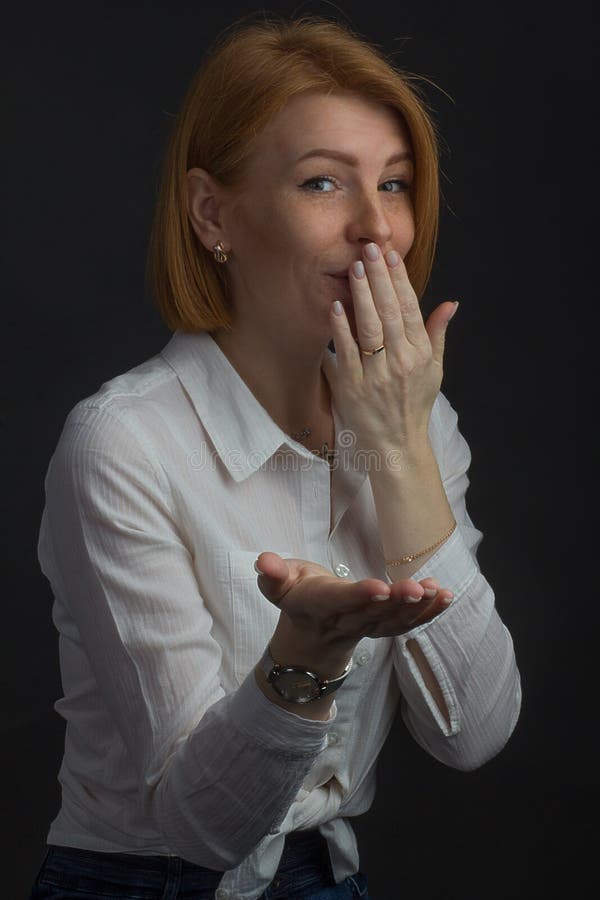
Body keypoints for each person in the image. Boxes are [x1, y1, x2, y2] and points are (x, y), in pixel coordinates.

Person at [29, 13, 522, 900]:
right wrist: (309, 647)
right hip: (143, 883)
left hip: (327, 876)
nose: (379, 229)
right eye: (324, 183)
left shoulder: (419, 420)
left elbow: (473, 733)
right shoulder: (124, 442)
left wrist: (401, 444)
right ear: (214, 212)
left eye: (398, 184)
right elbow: (203, 826)